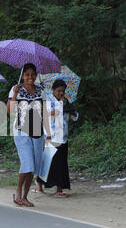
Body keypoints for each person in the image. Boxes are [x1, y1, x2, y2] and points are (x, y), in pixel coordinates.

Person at [7, 63, 46, 207]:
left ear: (36, 75)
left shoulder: (41, 90)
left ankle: (24, 196)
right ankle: (17, 191)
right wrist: (15, 94)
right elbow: (9, 111)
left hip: (37, 131)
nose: (30, 77)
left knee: (33, 167)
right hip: (21, 131)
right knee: (27, 164)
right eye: (27, 74)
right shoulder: (16, 89)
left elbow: (44, 111)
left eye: (33, 74)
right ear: (22, 76)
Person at [35, 79, 79, 197]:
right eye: (59, 91)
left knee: (61, 163)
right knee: (48, 162)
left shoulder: (66, 103)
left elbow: (75, 117)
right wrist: (59, 108)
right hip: (50, 136)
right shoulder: (48, 101)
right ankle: (39, 184)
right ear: (53, 90)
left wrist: (71, 111)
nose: (61, 93)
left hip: (63, 137)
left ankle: (59, 189)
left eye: (63, 91)